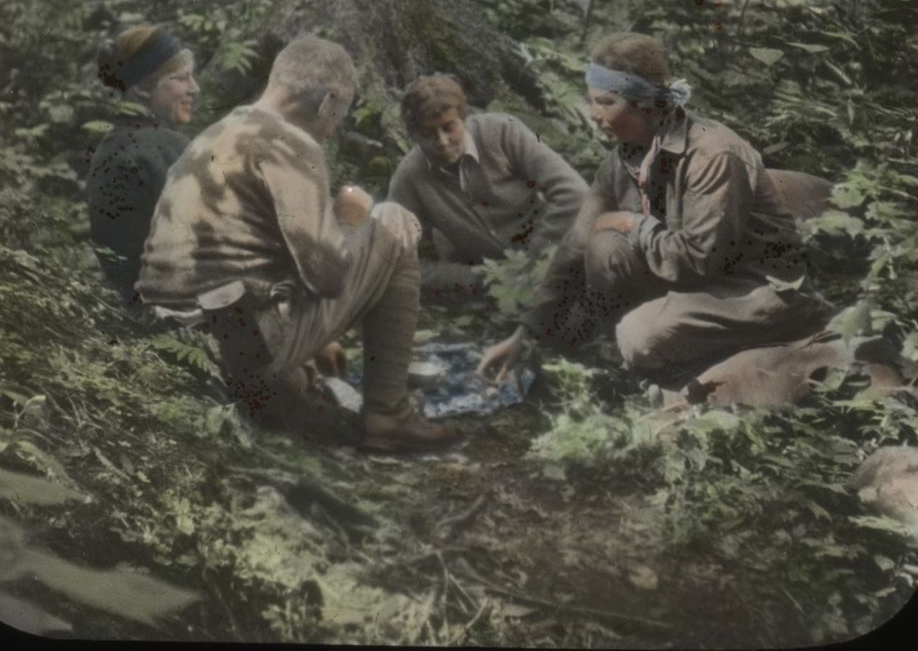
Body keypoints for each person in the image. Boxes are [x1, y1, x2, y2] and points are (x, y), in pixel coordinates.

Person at [137, 34, 458, 450]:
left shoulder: (220, 132)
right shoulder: (294, 145)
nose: (331, 129)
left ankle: (296, 383)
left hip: (174, 336)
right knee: (393, 220)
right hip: (238, 346)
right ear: (327, 103)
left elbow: (251, 252)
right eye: (337, 115)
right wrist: (350, 219)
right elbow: (330, 278)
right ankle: (389, 414)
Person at [479, 33, 831, 392]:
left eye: (606, 102)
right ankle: (642, 359)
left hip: (756, 287)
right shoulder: (625, 157)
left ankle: (676, 373)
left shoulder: (713, 154)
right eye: (593, 101)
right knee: (603, 248)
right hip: (697, 280)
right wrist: (525, 333)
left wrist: (632, 223)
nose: (595, 115)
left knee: (637, 336)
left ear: (645, 105)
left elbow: (697, 259)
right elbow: (576, 245)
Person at [387, 74, 588, 302]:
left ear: (463, 118)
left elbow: (573, 191)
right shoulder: (408, 178)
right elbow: (406, 263)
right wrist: (480, 279)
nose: (442, 141)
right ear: (413, 135)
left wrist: (535, 259)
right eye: (429, 133)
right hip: (497, 286)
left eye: (449, 127)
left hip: (555, 252)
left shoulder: (502, 131)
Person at [85, 25, 199, 303]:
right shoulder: (164, 147)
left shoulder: (112, 145)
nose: (194, 88)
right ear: (142, 88)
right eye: (181, 78)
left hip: (134, 304)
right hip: (177, 310)